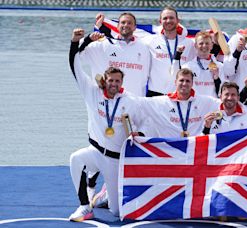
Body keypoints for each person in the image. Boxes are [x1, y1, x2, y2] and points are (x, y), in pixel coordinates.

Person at [68, 28, 143, 222]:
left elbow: (142, 123)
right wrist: (76, 43)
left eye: (117, 81)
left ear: (121, 83)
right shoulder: (92, 92)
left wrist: (137, 133)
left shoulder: (130, 101)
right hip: (96, 153)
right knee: (75, 159)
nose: (114, 84)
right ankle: (85, 206)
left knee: (117, 213)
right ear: (105, 80)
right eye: (111, 80)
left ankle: (104, 195)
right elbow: (75, 67)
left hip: (115, 161)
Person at [77, 12, 151, 97]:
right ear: (117, 26)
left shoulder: (144, 47)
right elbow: (78, 54)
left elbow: (147, 77)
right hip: (108, 101)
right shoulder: (104, 45)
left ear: (135, 27)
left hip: (134, 102)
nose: (126, 25)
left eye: (129, 23)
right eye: (123, 22)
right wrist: (87, 39)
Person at [132, 68, 220, 137]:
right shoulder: (163, 102)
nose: (184, 83)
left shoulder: (204, 101)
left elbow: (225, 105)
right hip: (171, 153)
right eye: (181, 80)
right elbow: (136, 102)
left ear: (192, 83)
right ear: (175, 82)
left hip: (194, 152)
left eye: (188, 81)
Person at [142, 6, 196, 97]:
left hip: (180, 94)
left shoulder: (189, 43)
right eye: (165, 18)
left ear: (178, 20)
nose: (168, 21)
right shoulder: (149, 41)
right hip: (155, 93)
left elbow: (205, 50)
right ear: (160, 22)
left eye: (171, 18)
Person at [171, 31, 225, 98]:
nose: (204, 46)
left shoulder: (219, 66)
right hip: (194, 105)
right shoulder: (188, 67)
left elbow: (223, 92)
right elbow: (174, 76)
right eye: (201, 43)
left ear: (212, 46)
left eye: (207, 43)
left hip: (212, 105)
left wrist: (217, 79)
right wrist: (177, 54)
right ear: (196, 46)